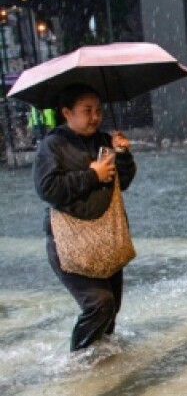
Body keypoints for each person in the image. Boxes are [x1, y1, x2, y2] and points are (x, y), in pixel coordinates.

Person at [33, 84, 137, 352]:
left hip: (106, 237)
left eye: (99, 111)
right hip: (70, 243)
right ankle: (77, 363)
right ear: (67, 112)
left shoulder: (104, 141)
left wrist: (123, 155)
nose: (95, 117)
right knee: (98, 304)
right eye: (87, 111)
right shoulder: (52, 145)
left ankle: (105, 370)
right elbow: (47, 189)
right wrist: (92, 176)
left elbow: (122, 183)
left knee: (110, 311)